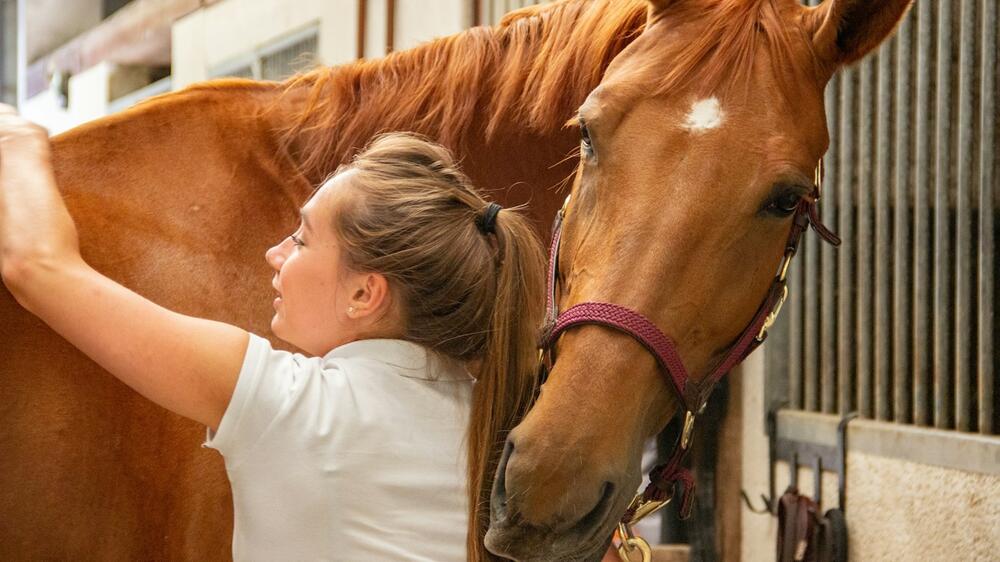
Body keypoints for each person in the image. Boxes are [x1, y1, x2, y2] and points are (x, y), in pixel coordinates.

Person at [0, 103, 546, 561]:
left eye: (302, 239)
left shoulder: (287, 403)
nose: (275, 253)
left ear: (364, 294)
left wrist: (15, 138)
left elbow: (38, 268)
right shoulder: (501, 424)